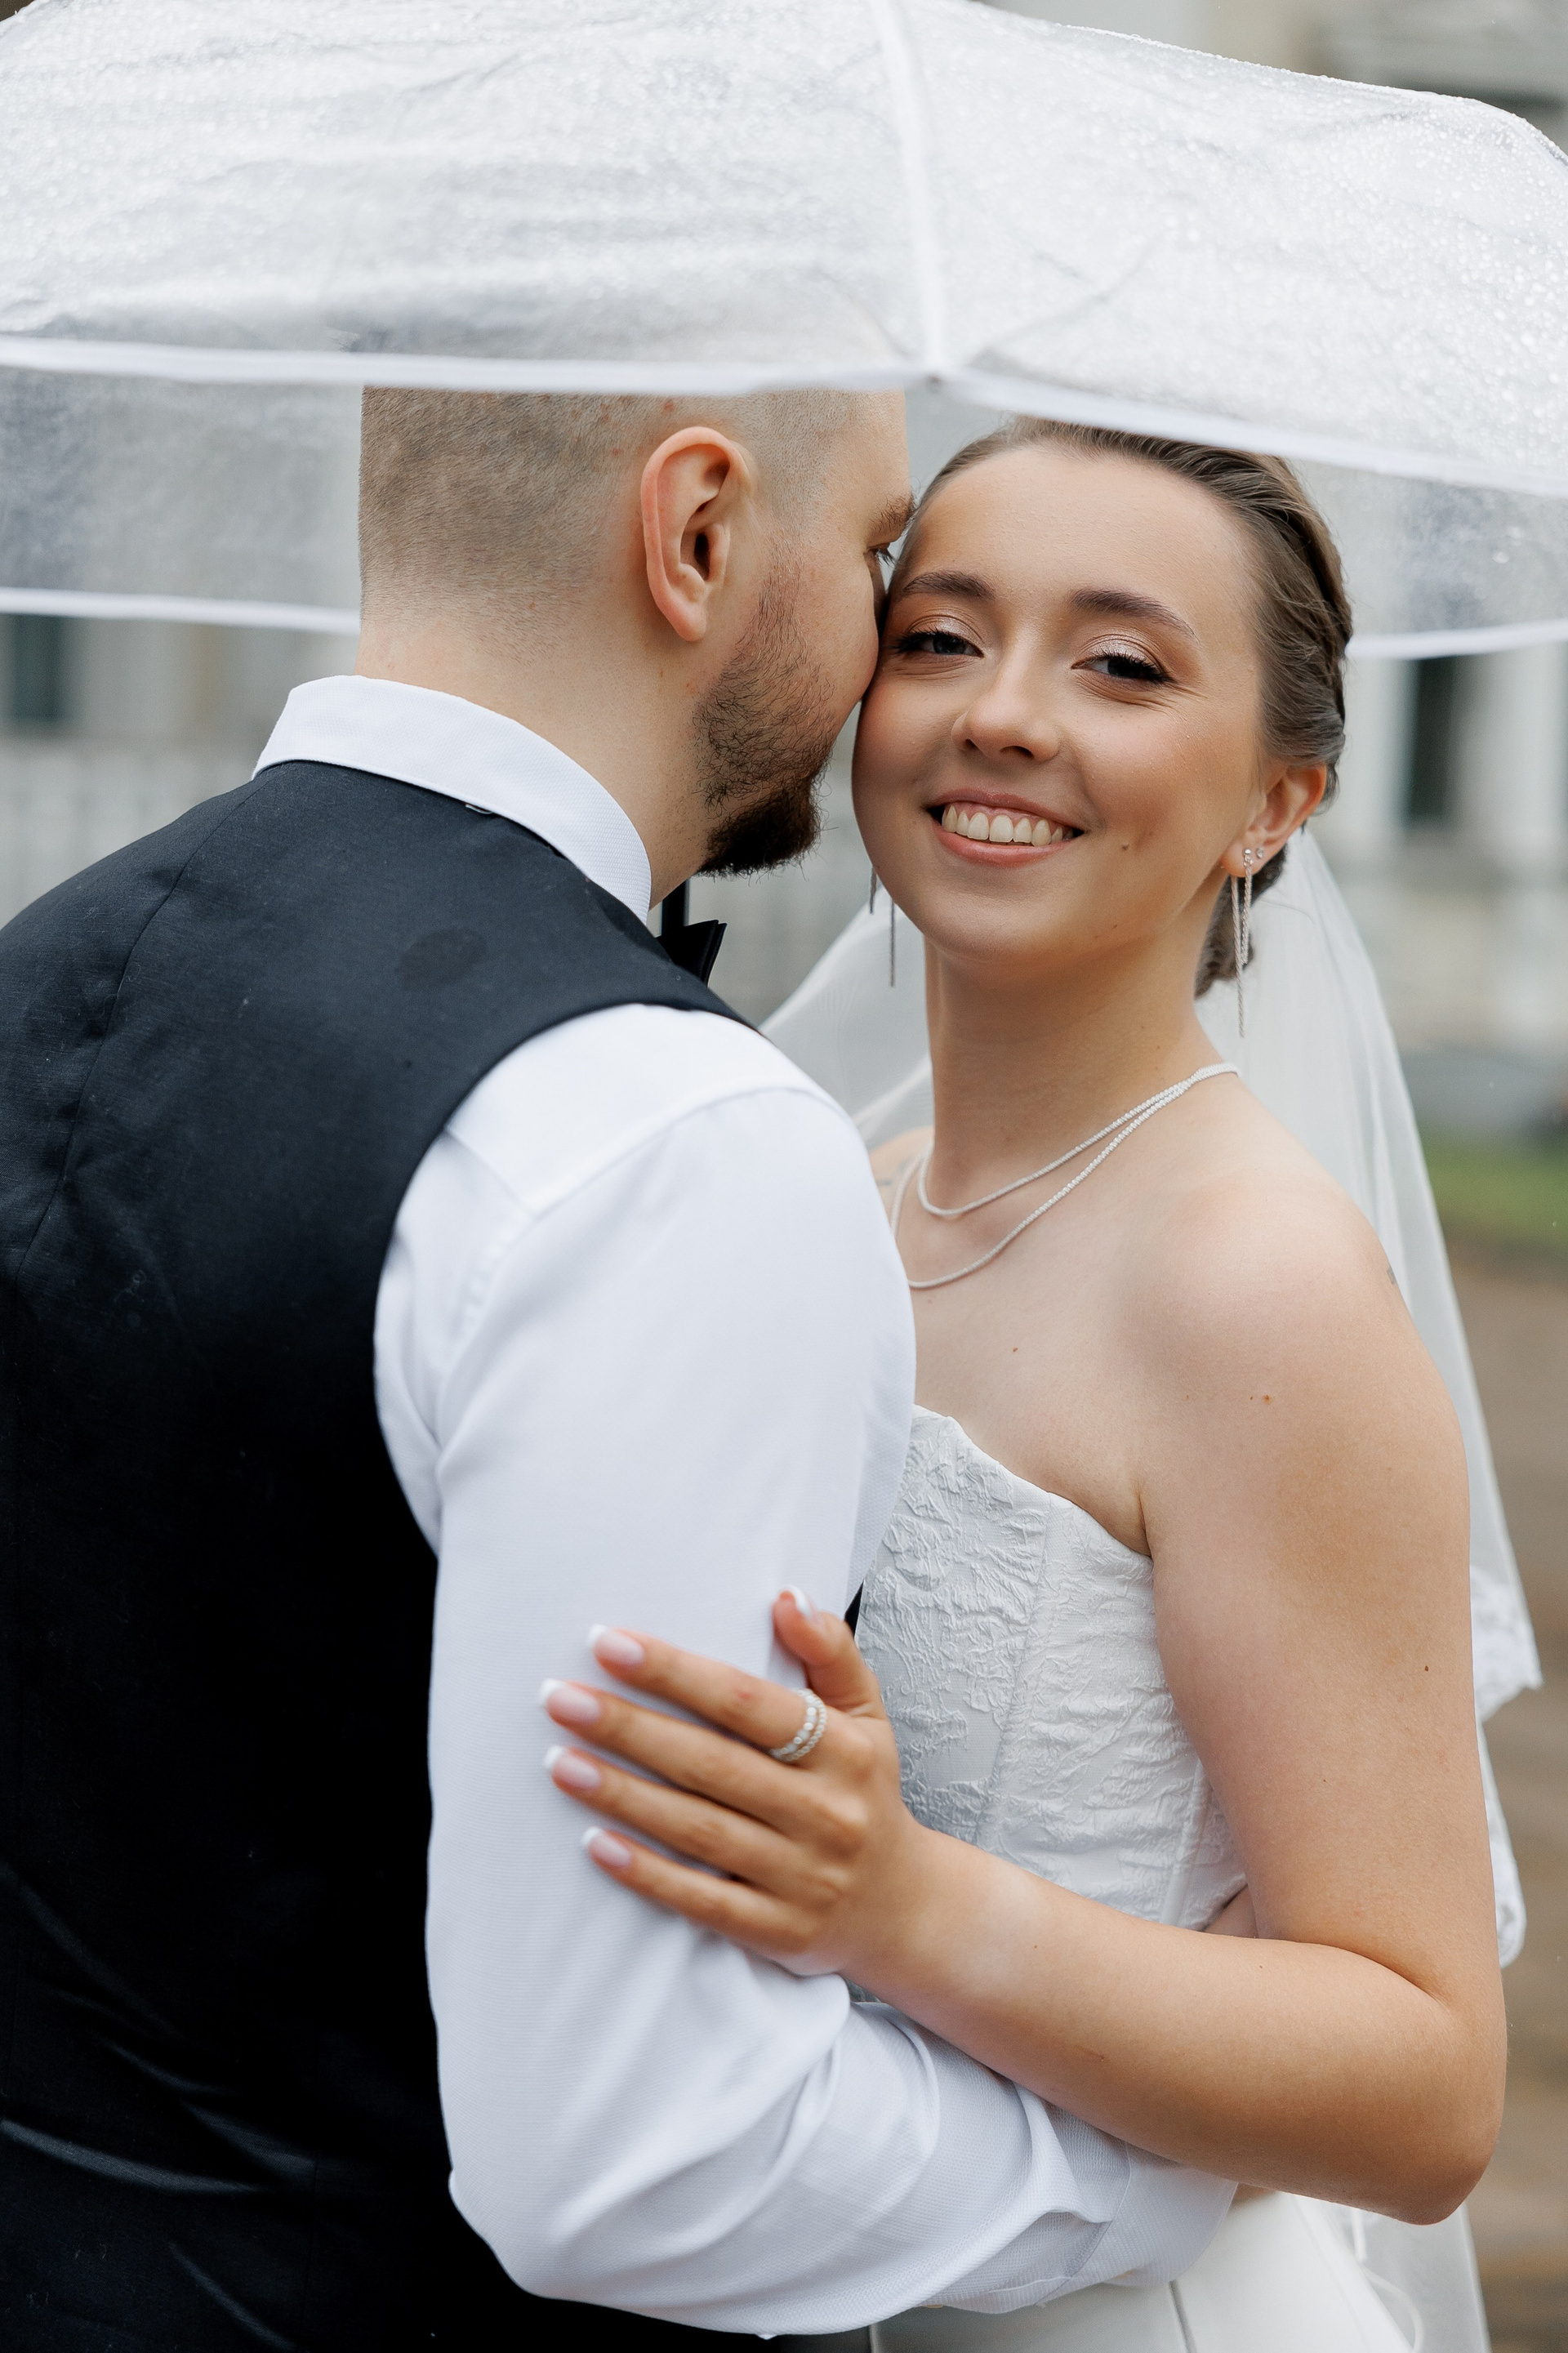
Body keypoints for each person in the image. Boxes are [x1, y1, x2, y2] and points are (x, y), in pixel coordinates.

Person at [0, 391, 1238, 2351]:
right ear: (698, 534)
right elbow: (645, 2161)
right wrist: (1146, 2178)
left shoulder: (37, 969)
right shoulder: (662, 1138)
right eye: (880, 558)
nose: (893, 647)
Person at [536, 422, 1510, 2351]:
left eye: (1122, 664)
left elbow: (1427, 2087)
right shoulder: (836, 1192)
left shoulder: (1252, 1285)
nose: (1003, 714)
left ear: (1278, 800)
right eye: (942, 638)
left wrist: (909, 1910)